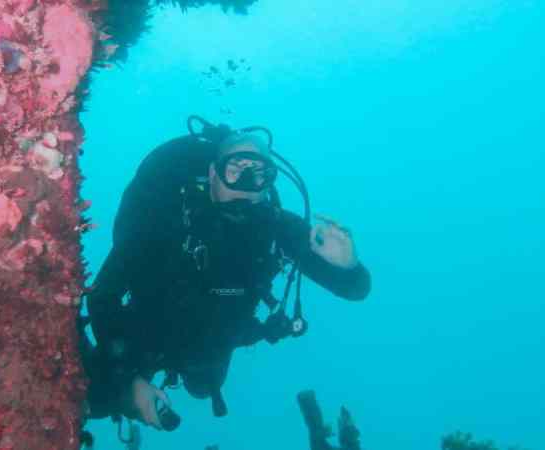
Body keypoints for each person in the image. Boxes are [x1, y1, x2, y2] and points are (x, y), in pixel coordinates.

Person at [78, 116, 371, 435]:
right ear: (212, 173)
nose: (247, 184)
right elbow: (103, 295)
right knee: (95, 400)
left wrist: (348, 266)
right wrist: (128, 382)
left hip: (221, 340)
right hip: (149, 338)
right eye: (236, 170)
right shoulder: (165, 221)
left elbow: (356, 290)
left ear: (269, 183)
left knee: (204, 385)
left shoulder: (276, 227)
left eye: (259, 174)